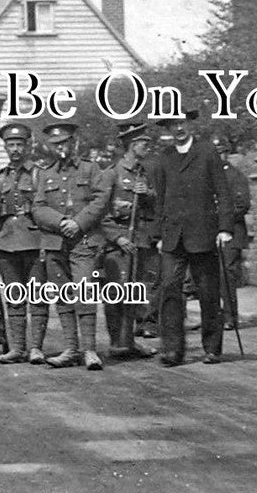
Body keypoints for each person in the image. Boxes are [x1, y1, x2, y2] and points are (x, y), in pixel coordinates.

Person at [153, 109, 233, 366]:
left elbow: (223, 191)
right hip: (173, 236)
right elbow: (160, 199)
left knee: (208, 292)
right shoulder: (163, 158)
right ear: (166, 129)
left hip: (203, 234)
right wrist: (159, 234)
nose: (178, 128)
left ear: (189, 124)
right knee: (169, 290)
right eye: (172, 124)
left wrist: (225, 228)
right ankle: (173, 349)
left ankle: (212, 348)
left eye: (181, 123)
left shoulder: (207, 151)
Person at [32, 122, 111, 370]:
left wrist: (78, 222)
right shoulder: (45, 173)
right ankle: (70, 349)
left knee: (85, 292)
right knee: (63, 295)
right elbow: (38, 207)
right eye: (55, 144)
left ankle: (89, 350)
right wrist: (61, 221)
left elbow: (101, 200)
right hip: (56, 242)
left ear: (73, 143)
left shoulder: (90, 169)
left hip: (83, 242)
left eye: (64, 142)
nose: (60, 148)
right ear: (50, 147)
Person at [0, 122, 48, 364]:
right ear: (5, 147)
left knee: (38, 296)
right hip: (6, 245)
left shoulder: (38, 174)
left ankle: (36, 349)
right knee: (14, 297)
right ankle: (18, 348)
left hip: (34, 242)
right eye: (10, 145)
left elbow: (46, 209)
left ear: (28, 146)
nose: (15, 150)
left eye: (19, 144)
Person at [100, 122, 158, 359]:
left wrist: (148, 195)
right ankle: (117, 342)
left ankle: (129, 341)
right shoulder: (111, 173)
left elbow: (155, 206)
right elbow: (99, 213)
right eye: (144, 142)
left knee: (134, 291)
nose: (148, 146)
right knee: (115, 292)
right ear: (132, 145)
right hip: (118, 243)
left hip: (140, 239)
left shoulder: (144, 173)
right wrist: (118, 236)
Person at [213, 137, 251, 330]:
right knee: (211, 275)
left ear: (226, 153)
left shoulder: (235, 176)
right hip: (210, 232)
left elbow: (242, 205)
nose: (218, 156)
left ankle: (230, 317)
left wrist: (222, 221)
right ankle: (215, 316)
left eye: (221, 152)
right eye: (215, 152)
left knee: (226, 274)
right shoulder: (208, 176)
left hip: (231, 233)